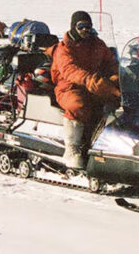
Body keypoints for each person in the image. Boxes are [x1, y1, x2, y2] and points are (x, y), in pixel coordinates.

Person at [50, 11, 120, 169]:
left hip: (93, 84)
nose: (85, 30)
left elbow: (111, 62)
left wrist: (117, 76)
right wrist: (89, 79)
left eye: (88, 26)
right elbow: (69, 70)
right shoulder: (64, 48)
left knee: (118, 100)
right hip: (68, 87)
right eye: (81, 26)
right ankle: (72, 149)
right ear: (74, 27)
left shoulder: (97, 44)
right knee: (78, 105)